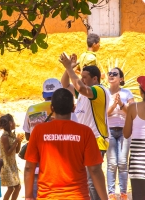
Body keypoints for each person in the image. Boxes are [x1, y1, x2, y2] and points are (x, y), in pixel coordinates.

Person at [24, 88, 108, 200]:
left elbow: (29, 167)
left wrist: (29, 196)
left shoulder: (39, 131)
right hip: (78, 196)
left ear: (52, 108)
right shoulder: (85, 132)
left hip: (47, 196)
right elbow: (95, 170)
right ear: (73, 108)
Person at [60, 54, 110, 200]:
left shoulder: (99, 90)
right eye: (81, 77)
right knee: (86, 181)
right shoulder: (83, 93)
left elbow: (80, 88)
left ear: (95, 78)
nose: (82, 80)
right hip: (83, 141)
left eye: (85, 77)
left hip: (96, 139)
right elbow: (64, 84)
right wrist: (69, 68)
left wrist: (69, 67)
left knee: (92, 180)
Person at [23, 78, 78, 198]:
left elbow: (28, 136)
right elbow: (74, 132)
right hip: (63, 167)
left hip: (37, 166)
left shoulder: (31, 110)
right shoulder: (67, 109)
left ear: (43, 94)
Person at [106, 68, 134, 200]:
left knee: (122, 162)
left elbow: (132, 112)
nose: (111, 75)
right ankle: (111, 194)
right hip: (109, 130)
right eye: (109, 74)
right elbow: (104, 114)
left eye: (114, 74)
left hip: (124, 131)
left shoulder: (127, 93)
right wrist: (113, 106)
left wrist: (121, 104)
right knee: (111, 163)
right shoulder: (104, 93)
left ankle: (123, 194)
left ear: (121, 79)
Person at [123, 76, 145, 200]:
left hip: (137, 163)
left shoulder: (133, 108)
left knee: (138, 196)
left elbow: (126, 134)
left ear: (141, 92)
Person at [0, 114, 24, 200]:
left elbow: (16, 151)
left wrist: (19, 141)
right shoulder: (4, 137)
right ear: (10, 123)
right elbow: (8, 152)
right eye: (13, 121)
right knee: (11, 188)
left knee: (17, 187)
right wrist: (16, 141)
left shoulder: (12, 135)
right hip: (6, 165)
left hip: (12, 164)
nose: (14, 123)